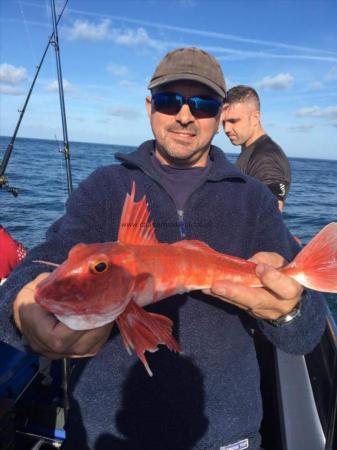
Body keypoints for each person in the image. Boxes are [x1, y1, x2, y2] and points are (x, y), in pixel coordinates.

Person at [0, 48, 327, 450]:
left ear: (220, 113)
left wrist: (289, 311)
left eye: (203, 103)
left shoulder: (253, 199)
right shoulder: (105, 188)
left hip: (225, 437)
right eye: (170, 99)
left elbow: (306, 334)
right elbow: (44, 260)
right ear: (150, 105)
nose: (185, 115)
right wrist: (19, 309)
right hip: (105, 435)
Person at [222, 85, 291, 211]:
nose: (226, 129)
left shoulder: (265, 157)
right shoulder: (252, 151)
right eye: (223, 122)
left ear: (255, 118)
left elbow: (271, 210)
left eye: (233, 121)